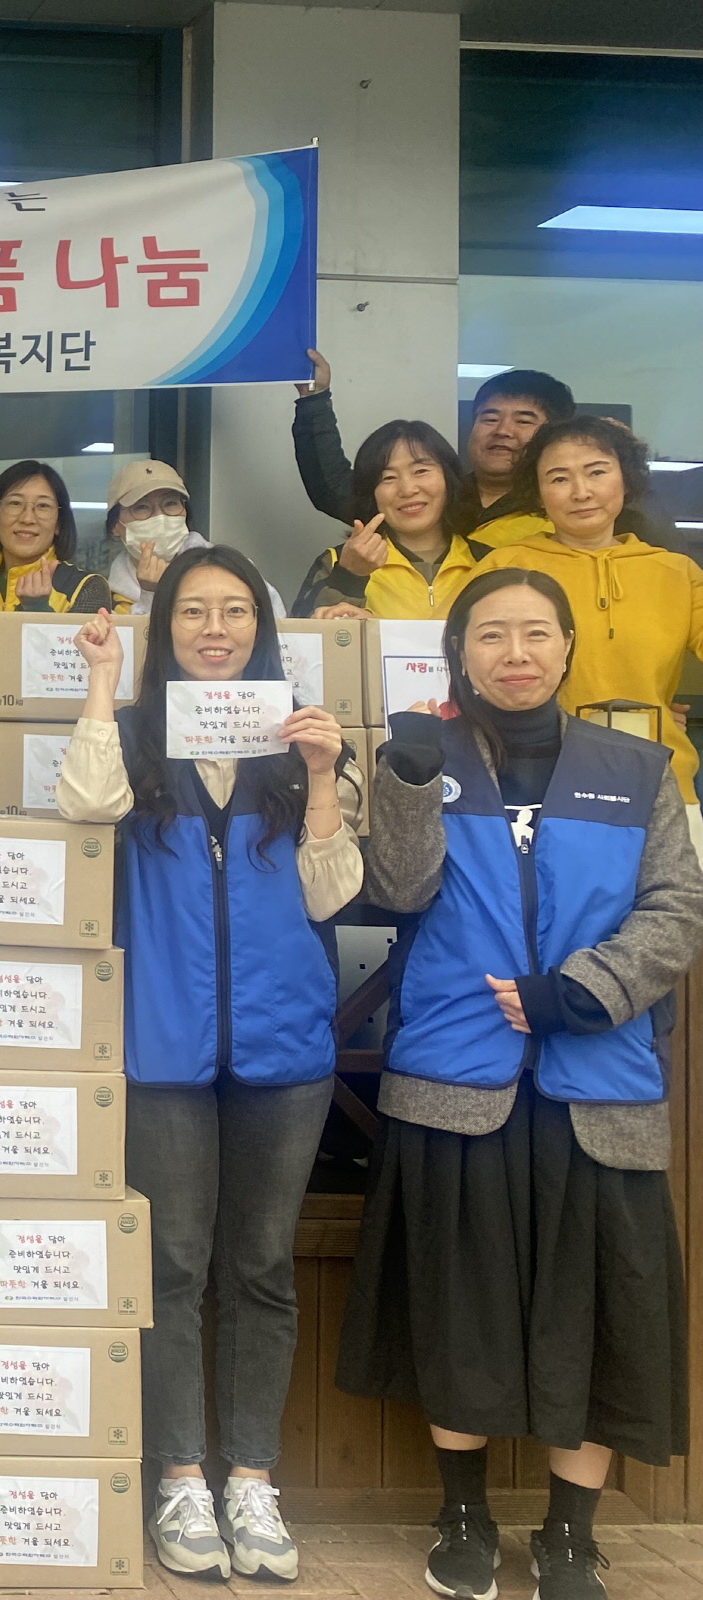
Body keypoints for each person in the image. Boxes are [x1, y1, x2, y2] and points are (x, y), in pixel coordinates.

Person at [337, 567, 703, 1600]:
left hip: (601, 1086)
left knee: (602, 1318)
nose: (515, 653)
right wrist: (408, 782)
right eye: (490, 634)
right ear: (459, 653)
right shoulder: (425, 755)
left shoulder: (638, 768)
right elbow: (396, 890)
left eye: (536, 632)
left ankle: (570, 1536)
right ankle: (462, 1516)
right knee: (460, 1311)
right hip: (455, 1083)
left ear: (569, 646)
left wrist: (581, 991)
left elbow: (678, 906)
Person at [56, 546, 357, 1585]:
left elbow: (333, 895)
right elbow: (84, 807)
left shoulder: (296, 745)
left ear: (261, 631)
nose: (215, 629)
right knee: (174, 1267)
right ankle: (180, 1474)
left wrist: (322, 776)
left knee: (261, 1267)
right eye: (193, 611)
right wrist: (104, 682)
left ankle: (253, 1477)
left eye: (235, 611)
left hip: (286, 1046)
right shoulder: (137, 736)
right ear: (166, 627)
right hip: (166, 1043)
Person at [477, 417, 703, 827]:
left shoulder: (677, 573)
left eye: (597, 472)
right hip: (531, 788)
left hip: (661, 786)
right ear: (538, 491)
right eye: (559, 478)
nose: (581, 492)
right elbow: (445, 654)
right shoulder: (504, 566)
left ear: (626, 478)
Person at [294, 353, 566, 549]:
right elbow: (333, 487)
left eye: (523, 421)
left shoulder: (567, 509)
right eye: (490, 418)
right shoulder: (435, 496)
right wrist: (315, 399)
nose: (503, 430)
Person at [292, 420, 491, 619]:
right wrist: (349, 576)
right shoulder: (338, 561)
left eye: (420, 471)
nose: (407, 489)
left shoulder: (489, 561)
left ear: (450, 478)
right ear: (370, 493)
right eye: (388, 478)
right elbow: (303, 633)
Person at [98, 458, 282, 615]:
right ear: (115, 526)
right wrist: (150, 594)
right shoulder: (104, 597)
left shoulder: (232, 568)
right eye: (142, 507)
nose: (160, 517)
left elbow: (277, 628)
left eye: (170, 504)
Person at [0, 459, 121, 612]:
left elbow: (85, 633)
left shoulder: (86, 587)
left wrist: (38, 608)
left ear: (58, 524)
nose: (27, 518)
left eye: (43, 506)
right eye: (15, 503)